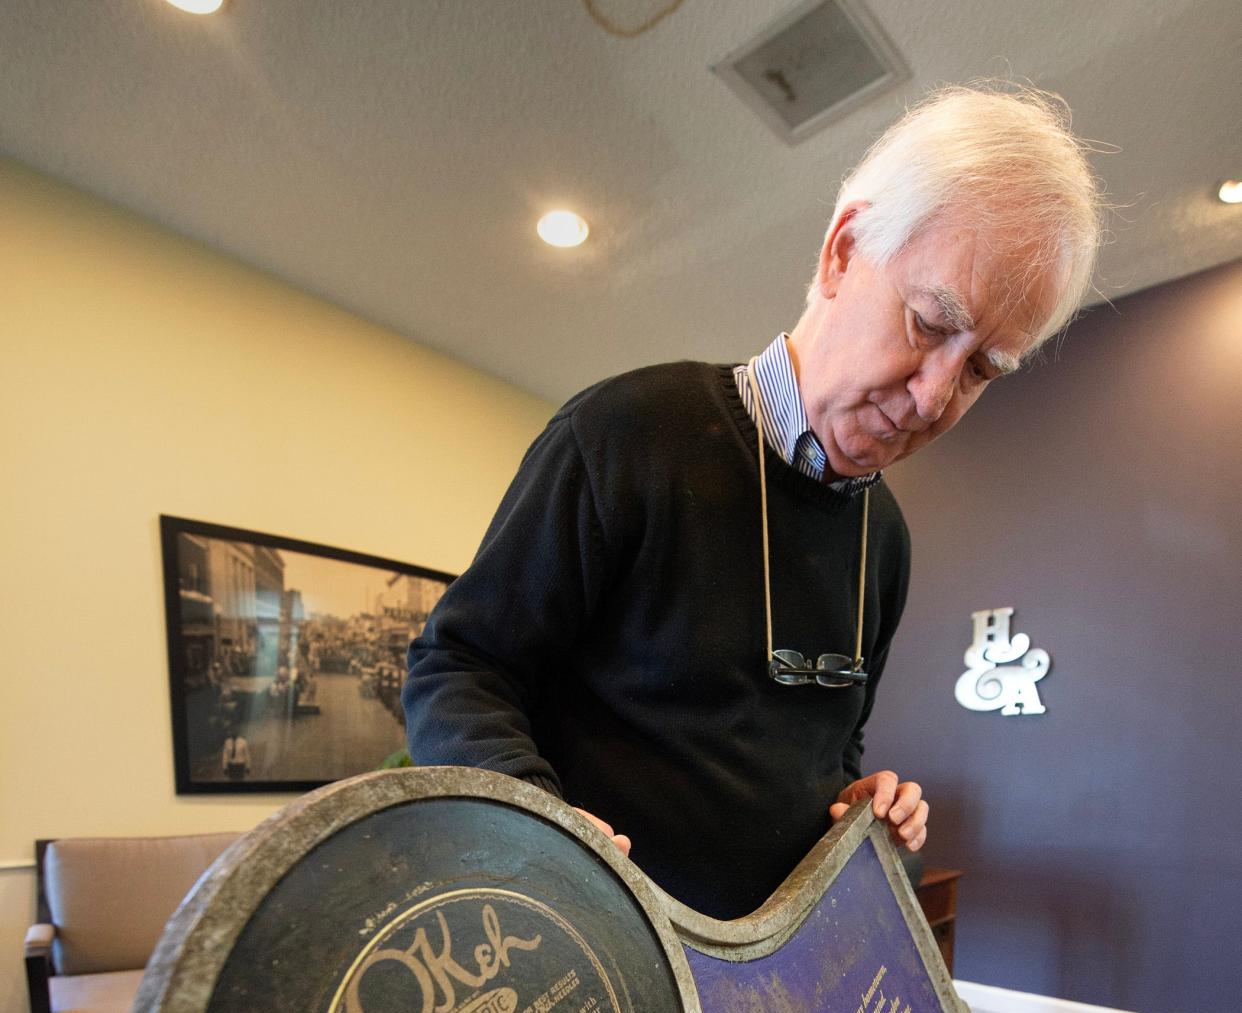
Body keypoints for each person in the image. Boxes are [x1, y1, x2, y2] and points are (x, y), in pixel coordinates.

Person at [403, 86, 1104, 918]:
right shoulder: (627, 433)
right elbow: (459, 667)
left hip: (777, 980)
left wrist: (856, 801)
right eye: (926, 322)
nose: (933, 397)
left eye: (983, 370)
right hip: (599, 956)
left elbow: (830, 745)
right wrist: (535, 825)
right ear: (843, 253)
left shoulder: (888, 542)